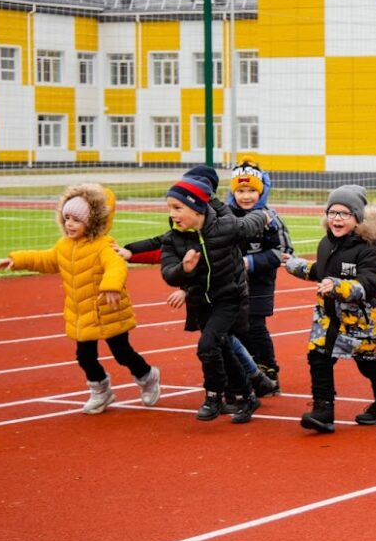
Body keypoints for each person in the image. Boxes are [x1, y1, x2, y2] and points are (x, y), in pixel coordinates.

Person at [118, 165, 278, 402]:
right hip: (207, 291)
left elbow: (233, 251)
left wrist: (264, 218)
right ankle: (251, 382)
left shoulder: (219, 219)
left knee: (230, 338)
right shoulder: (184, 221)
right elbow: (168, 246)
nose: (174, 210)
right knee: (224, 341)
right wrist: (131, 252)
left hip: (230, 289)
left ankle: (246, 383)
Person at [0, 183, 160, 413]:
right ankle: (101, 390)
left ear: (92, 221)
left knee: (122, 353)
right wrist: (18, 260)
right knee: (84, 357)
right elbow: (45, 260)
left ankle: (147, 377)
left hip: (109, 310)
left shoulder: (104, 245)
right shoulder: (64, 246)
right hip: (81, 312)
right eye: (66, 218)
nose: (69, 224)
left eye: (76, 219)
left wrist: (111, 286)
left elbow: (116, 266)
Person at [284, 185, 376, 433]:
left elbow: (368, 284)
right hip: (328, 317)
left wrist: (338, 286)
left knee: (368, 362)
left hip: (360, 321)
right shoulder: (326, 244)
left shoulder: (368, 249)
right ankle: (323, 411)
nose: (337, 218)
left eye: (344, 214)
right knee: (318, 357)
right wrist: (293, 265)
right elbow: (321, 271)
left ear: (357, 218)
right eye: (332, 212)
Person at [160, 173, 272, 424]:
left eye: (178, 207)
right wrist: (184, 270)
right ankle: (246, 396)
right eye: (169, 208)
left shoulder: (225, 227)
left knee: (208, 346)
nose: (173, 214)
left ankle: (213, 396)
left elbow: (250, 222)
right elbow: (168, 273)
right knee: (222, 348)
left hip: (229, 298)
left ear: (198, 208)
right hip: (202, 302)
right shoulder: (174, 238)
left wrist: (266, 215)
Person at [228, 159, 293, 392]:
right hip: (232, 283)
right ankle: (247, 371)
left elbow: (284, 251)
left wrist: (251, 262)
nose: (246, 196)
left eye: (252, 190)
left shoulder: (270, 218)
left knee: (255, 325)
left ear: (262, 190)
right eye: (240, 191)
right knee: (235, 327)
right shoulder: (226, 216)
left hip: (259, 282)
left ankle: (269, 369)